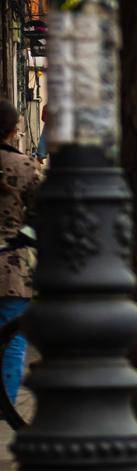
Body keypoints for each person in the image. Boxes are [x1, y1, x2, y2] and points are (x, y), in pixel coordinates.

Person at [0, 100, 43, 405]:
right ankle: (6, 403)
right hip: (13, 266)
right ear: (15, 130)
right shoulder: (24, 166)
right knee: (13, 341)